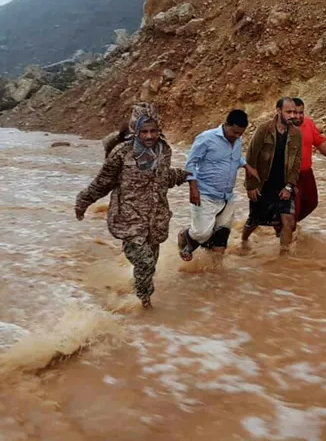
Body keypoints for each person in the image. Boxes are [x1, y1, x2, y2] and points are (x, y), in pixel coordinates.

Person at [74, 103, 189, 309]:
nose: (148, 136)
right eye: (143, 131)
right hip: (129, 219)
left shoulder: (164, 150)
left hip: (155, 219)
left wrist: (183, 176)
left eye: (153, 130)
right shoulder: (122, 152)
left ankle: (136, 289)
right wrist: (83, 201)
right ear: (135, 129)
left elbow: (163, 178)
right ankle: (144, 305)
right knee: (144, 262)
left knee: (150, 264)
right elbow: (103, 182)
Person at [177, 109, 259, 261]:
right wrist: (193, 188)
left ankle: (214, 278)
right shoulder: (206, 139)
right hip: (205, 194)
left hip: (227, 197)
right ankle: (185, 235)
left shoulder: (237, 140)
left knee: (221, 239)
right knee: (202, 233)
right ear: (225, 124)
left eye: (240, 134)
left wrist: (246, 165)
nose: (236, 137)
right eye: (234, 132)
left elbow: (233, 157)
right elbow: (190, 164)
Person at [241, 97, 302, 251]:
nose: (293, 115)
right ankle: (243, 241)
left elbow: (296, 164)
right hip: (263, 183)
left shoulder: (296, 134)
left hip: (284, 185)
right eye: (288, 112)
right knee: (254, 221)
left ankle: (284, 258)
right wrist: (251, 185)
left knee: (288, 222)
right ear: (279, 111)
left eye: (295, 112)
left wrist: (289, 186)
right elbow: (251, 157)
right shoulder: (264, 129)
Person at [291, 97, 326, 222]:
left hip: (306, 173)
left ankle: (286, 225)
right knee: (293, 209)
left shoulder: (308, 123)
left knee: (311, 203)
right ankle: (286, 228)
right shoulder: (282, 128)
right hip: (289, 175)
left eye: (301, 113)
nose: (298, 116)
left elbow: (319, 143)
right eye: (295, 113)